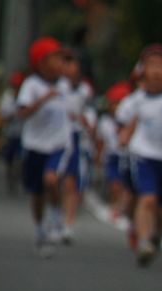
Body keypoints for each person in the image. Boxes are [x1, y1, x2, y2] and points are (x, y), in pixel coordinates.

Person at [116, 44, 162, 266]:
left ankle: (156, 233)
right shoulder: (136, 100)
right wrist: (125, 135)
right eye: (151, 65)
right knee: (147, 198)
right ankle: (145, 241)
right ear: (142, 70)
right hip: (143, 154)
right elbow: (124, 125)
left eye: (161, 65)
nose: (156, 70)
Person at [15, 37, 71, 258]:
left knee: (52, 179)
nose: (61, 63)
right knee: (37, 193)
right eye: (56, 58)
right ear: (41, 62)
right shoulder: (32, 86)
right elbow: (22, 113)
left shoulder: (65, 84)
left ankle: (56, 213)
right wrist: (43, 100)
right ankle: (40, 229)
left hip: (58, 144)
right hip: (34, 145)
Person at [58, 49, 95, 244]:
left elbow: (87, 113)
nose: (68, 68)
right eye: (65, 63)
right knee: (54, 180)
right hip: (55, 136)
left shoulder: (84, 90)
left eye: (72, 64)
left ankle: (68, 223)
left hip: (75, 137)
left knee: (72, 182)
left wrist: (85, 123)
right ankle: (55, 214)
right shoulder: (57, 86)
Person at [96, 81, 133, 229]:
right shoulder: (105, 122)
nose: (117, 107)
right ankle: (114, 206)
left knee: (126, 186)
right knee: (114, 184)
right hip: (112, 156)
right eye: (114, 103)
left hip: (128, 156)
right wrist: (99, 156)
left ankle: (122, 208)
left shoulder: (132, 121)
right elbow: (100, 141)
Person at [0, 71, 25, 193]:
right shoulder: (7, 98)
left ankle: (20, 176)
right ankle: (10, 180)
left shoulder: (26, 97)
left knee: (21, 158)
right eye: (15, 86)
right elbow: (2, 116)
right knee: (9, 159)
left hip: (24, 134)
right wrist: (12, 115)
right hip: (10, 133)